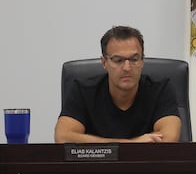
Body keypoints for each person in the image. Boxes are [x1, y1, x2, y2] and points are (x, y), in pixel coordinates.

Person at [54, 25, 182, 143]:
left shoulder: (161, 89)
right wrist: (132, 144)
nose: (127, 67)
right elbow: (63, 137)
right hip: (96, 167)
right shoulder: (82, 90)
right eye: (118, 60)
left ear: (142, 61)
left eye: (134, 59)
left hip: (147, 167)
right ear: (104, 62)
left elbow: (169, 137)